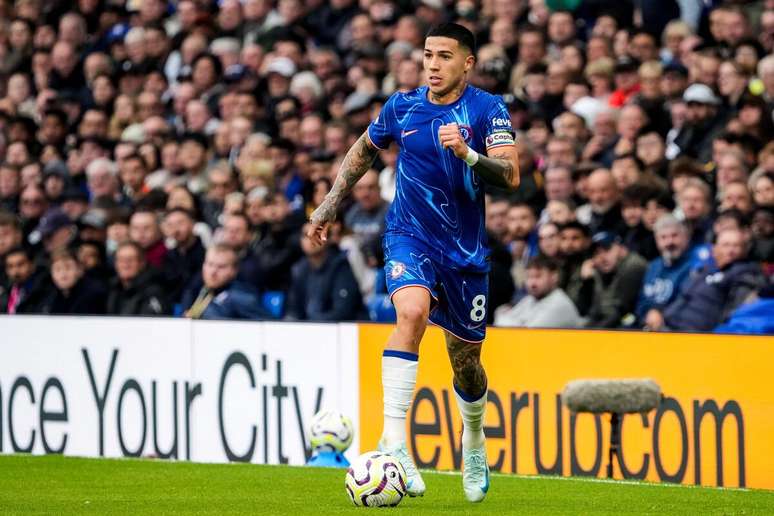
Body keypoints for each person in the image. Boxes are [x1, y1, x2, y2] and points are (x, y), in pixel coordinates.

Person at [308, 23, 519, 502]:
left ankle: (475, 439)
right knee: (410, 313)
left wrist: (468, 154)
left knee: (466, 365)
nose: (433, 65)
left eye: (445, 56)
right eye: (428, 55)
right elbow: (363, 149)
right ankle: (395, 445)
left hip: (464, 254)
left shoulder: (488, 110)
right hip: (409, 236)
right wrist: (330, 203)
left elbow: (511, 174)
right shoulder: (402, 106)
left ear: (467, 62)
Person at [647, 228, 766, 331]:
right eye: (726, 245)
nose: (731, 251)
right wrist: (658, 311)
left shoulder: (746, 274)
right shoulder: (704, 270)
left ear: (745, 250)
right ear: (714, 249)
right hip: (667, 328)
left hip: (699, 337)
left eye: (736, 246)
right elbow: (681, 297)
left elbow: (734, 314)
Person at [287, 223, 364, 321]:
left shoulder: (340, 265)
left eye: (317, 234)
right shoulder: (299, 269)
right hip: (311, 328)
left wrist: (310, 324)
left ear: (327, 238)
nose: (311, 239)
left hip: (346, 331)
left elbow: (342, 311)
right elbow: (293, 309)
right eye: (306, 235)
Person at [182, 244, 267, 320]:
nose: (213, 272)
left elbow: (271, 327)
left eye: (221, 267)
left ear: (234, 270)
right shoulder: (204, 291)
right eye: (210, 264)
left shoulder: (242, 298)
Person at [636, 215, 694, 325]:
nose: (669, 242)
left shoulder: (694, 264)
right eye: (663, 237)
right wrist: (648, 313)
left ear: (686, 237)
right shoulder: (653, 266)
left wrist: (660, 315)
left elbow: (687, 300)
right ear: (657, 241)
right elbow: (642, 301)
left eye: (674, 236)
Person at [494, 255, 582, 328]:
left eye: (538, 276)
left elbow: (525, 334)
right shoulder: (530, 299)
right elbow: (499, 318)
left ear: (554, 277)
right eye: (529, 277)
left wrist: (508, 318)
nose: (532, 283)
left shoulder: (559, 304)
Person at [583, 231, 647, 328]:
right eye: (596, 253)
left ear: (621, 248)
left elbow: (621, 311)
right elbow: (595, 312)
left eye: (607, 249)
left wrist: (594, 333)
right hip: (608, 324)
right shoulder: (600, 271)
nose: (602, 257)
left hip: (632, 322)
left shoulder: (633, 266)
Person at [107, 241, 169, 316]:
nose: (125, 264)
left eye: (130, 260)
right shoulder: (113, 289)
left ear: (142, 263)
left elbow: (153, 323)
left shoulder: (153, 292)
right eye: (121, 260)